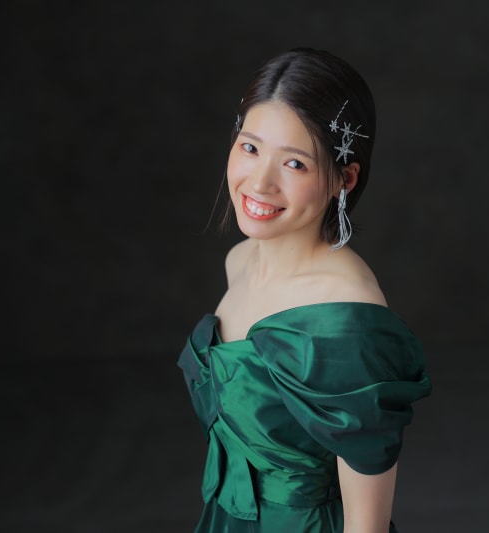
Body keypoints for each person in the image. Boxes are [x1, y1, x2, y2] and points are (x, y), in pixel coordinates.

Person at [177, 47, 432, 533]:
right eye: (250, 148)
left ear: (344, 179)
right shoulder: (240, 262)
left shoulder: (346, 320)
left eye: (295, 164)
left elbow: (367, 526)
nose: (260, 183)